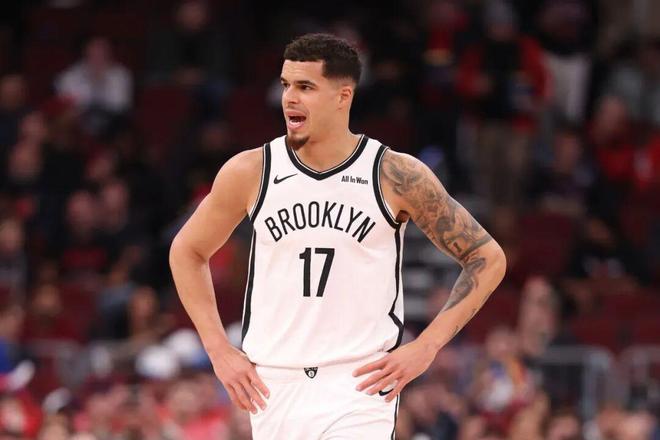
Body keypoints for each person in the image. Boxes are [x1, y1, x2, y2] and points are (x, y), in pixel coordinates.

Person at [169, 33, 506, 438]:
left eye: (305, 87)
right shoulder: (251, 170)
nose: (290, 98)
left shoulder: (394, 174)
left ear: (343, 96)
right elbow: (187, 250)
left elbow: (486, 257)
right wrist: (218, 349)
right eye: (285, 85)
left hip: (359, 383)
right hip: (273, 384)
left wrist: (427, 345)